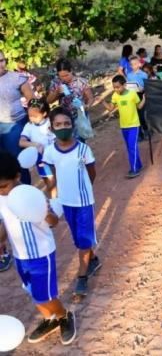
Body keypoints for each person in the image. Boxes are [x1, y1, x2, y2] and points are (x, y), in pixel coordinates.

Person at [0, 151, 77, 345]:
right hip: (20, 256)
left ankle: (64, 316)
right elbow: (4, 224)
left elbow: (53, 222)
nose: (1, 191)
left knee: (45, 294)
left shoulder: (33, 195)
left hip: (41, 255)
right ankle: (49, 319)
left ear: (17, 177)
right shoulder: (0, 199)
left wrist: (42, 212)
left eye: (3, 186)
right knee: (32, 291)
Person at [42, 107, 100, 296]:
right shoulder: (50, 152)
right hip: (66, 201)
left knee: (83, 239)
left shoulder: (83, 149)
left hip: (83, 202)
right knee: (78, 238)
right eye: (58, 124)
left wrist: (84, 190)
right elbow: (52, 176)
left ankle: (82, 277)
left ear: (72, 125)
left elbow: (92, 172)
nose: (63, 127)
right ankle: (93, 259)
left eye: (67, 123)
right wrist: (55, 197)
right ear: (52, 128)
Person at [0, 50, 34, 188]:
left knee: (18, 162)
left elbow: (32, 101)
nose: (0, 64)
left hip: (14, 126)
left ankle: (24, 192)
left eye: (1, 60)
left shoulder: (17, 77)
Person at [102, 75, 144, 178]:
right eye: (114, 87)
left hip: (134, 125)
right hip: (124, 126)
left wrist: (144, 98)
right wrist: (102, 101)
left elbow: (139, 106)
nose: (116, 89)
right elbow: (111, 108)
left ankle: (134, 169)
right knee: (130, 147)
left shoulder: (132, 94)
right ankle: (139, 165)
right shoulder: (115, 96)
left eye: (118, 87)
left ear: (124, 85)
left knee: (131, 147)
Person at [46, 58, 94, 141]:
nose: (64, 78)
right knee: (66, 141)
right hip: (64, 119)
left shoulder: (81, 82)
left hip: (79, 117)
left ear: (71, 71)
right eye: (61, 76)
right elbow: (49, 101)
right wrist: (56, 92)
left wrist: (87, 106)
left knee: (80, 141)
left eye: (66, 75)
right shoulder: (56, 83)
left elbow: (90, 98)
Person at [19, 99, 56, 197]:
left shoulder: (51, 122)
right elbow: (21, 142)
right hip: (41, 160)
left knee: (55, 181)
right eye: (30, 116)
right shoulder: (29, 126)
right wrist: (36, 145)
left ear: (44, 113)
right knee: (49, 182)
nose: (32, 118)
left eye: (35, 116)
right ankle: (53, 201)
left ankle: (56, 199)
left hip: (55, 156)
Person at [126, 55, 149, 140]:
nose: (134, 66)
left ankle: (146, 130)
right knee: (135, 116)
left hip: (141, 95)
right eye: (132, 64)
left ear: (139, 64)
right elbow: (128, 85)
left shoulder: (143, 74)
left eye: (135, 64)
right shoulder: (129, 75)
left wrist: (142, 89)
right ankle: (139, 134)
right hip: (132, 96)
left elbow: (146, 86)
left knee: (142, 115)